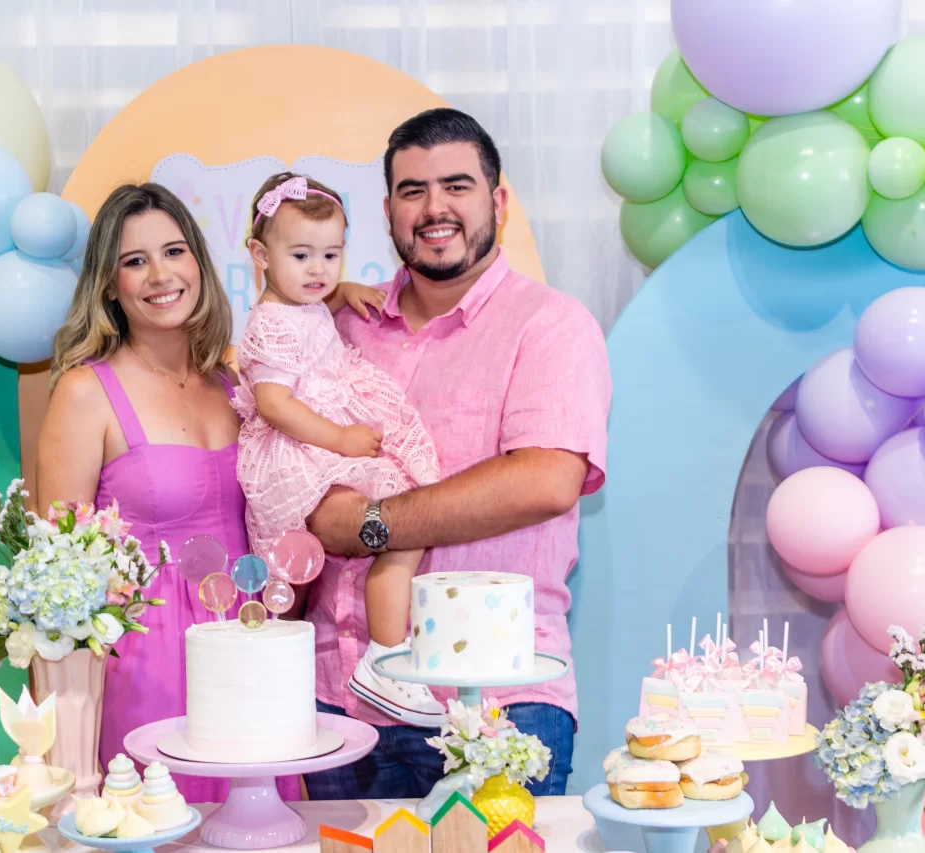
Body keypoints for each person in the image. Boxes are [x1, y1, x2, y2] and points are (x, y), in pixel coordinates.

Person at [300, 108, 612, 799]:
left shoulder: (550, 325)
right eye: (413, 190)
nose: (434, 208)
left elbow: (545, 479)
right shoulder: (338, 326)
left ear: (498, 203)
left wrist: (371, 525)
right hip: (335, 700)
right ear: (388, 211)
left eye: (457, 186)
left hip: (495, 702)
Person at [34, 183, 297, 804]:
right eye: (135, 260)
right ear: (109, 285)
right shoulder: (84, 392)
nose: (160, 275)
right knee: (157, 820)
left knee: (258, 824)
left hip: (247, 642)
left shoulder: (235, 384)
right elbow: (56, 578)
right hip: (145, 660)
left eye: (174, 251)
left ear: (198, 263)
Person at [233, 171, 445, 727]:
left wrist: (340, 293)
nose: (319, 270)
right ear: (260, 255)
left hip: (317, 437)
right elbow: (274, 403)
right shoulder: (270, 325)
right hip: (300, 447)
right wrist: (342, 439)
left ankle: (331, 662)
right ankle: (385, 657)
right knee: (400, 523)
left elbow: (313, 308)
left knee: (302, 581)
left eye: (331, 256)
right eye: (301, 255)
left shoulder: (301, 305)